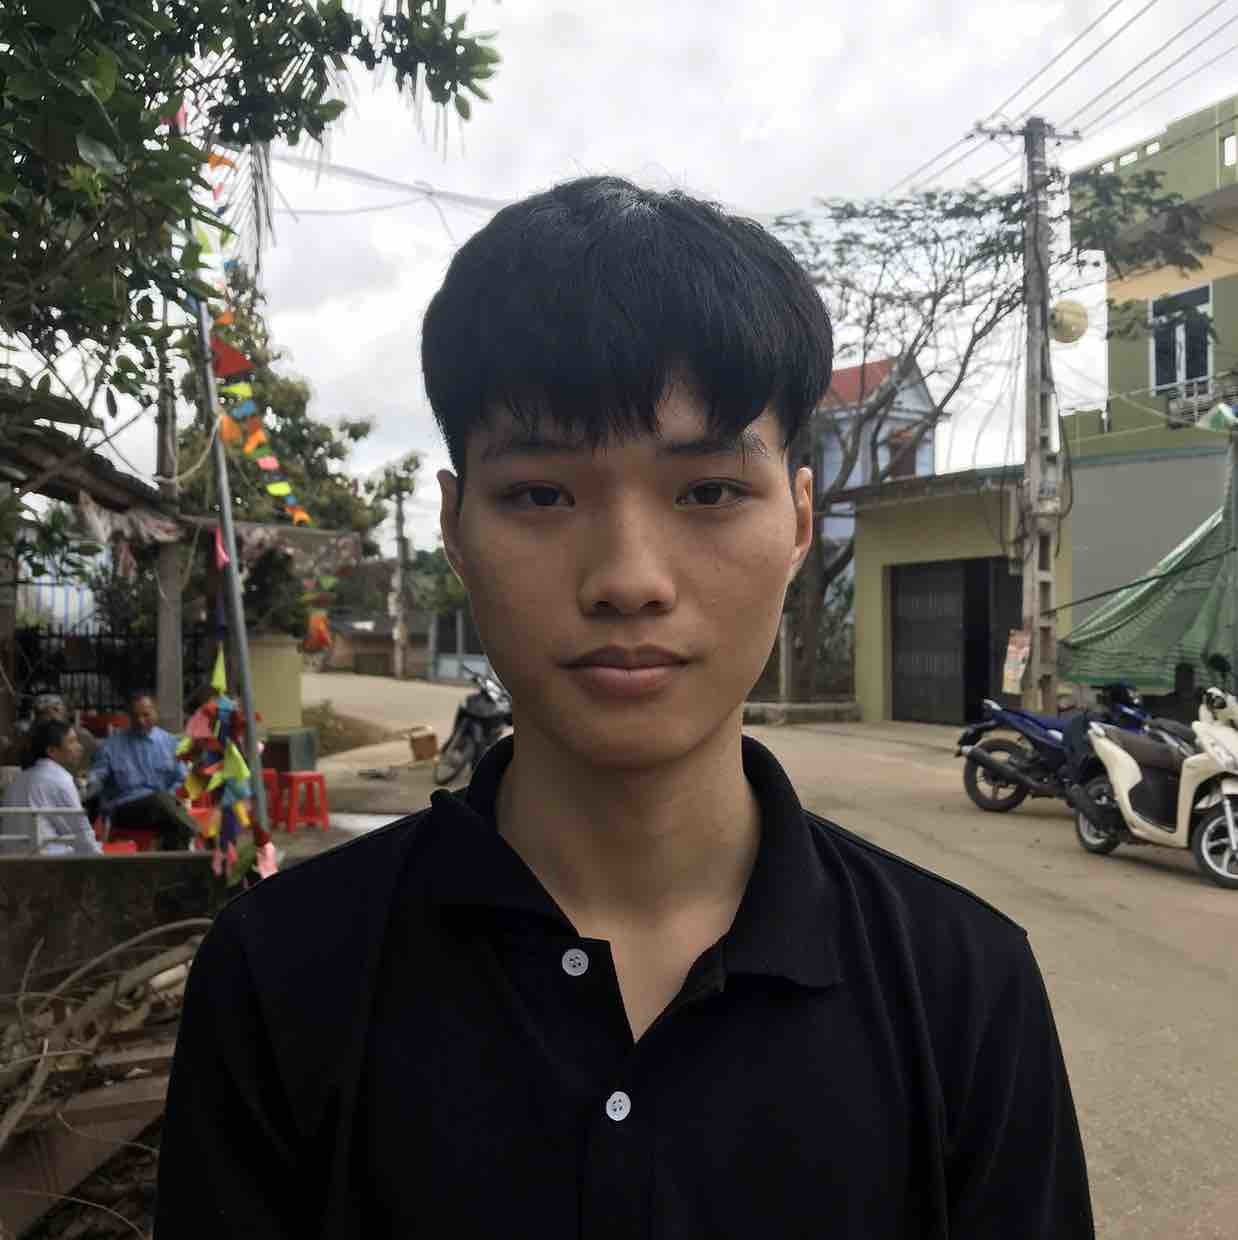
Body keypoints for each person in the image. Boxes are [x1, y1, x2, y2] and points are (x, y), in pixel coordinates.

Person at [157, 177, 1093, 1238]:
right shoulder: (279, 976)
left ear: (796, 522)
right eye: (541, 494)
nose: (628, 579)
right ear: (455, 528)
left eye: (707, 492)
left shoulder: (965, 987)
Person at [88, 690, 196, 851]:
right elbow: (97, 777)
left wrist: (172, 797)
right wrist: (90, 782)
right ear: (128, 716)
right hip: (126, 809)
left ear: (156, 712)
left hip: (166, 808)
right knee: (163, 803)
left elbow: (182, 778)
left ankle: (173, 864)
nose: (140, 721)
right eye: (135, 716)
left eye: (146, 715)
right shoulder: (111, 746)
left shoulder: (170, 743)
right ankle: (195, 832)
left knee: (171, 822)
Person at [1, 719, 102, 856]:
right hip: (47, 861)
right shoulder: (59, 778)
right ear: (51, 751)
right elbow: (80, 831)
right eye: (72, 742)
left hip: (10, 861)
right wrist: (100, 859)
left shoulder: (18, 780)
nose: (79, 747)